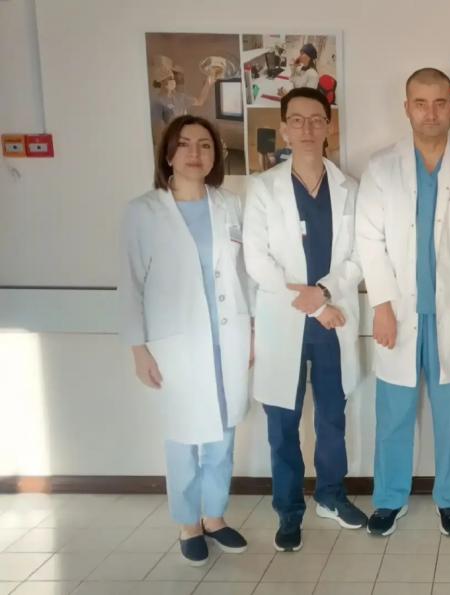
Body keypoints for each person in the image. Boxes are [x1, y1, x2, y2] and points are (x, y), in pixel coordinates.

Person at [356, 67, 450, 537]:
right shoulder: (381, 168)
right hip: (399, 316)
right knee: (394, 414)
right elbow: (368, 241)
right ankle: (389, 499)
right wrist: (381, 305)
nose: (430, 112)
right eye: (420, 103)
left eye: (440, 102)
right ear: (407, 108)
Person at [119, 115, 253, 565]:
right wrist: (138, 348)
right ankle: (187, 523)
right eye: (185, 144)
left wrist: (253, 331)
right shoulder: (143, 211)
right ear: (168, 155)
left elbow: (245, 274)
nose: (196, 153)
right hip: (174, 344)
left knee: (223, 434)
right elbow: (130, 283)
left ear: (216, 156)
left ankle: (215, 517)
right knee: (182, 437)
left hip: (227, 338)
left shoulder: (230, 205)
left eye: (205, 145)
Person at [243, 87, 366, 552]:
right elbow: (258, 262)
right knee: (283, 424)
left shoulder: (350, 189)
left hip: (333, 322)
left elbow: (359, 256)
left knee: (332, 418)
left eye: (317, 119)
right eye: (297, 120)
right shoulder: (262, 189)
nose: (308, 128)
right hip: (287, 321)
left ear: (328, 126)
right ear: (284, 129)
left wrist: (326, 292)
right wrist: (316, 304)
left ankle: (331, 496)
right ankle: (289, 510)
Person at [148, 57, 216, 125]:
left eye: (173, 79)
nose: (173, 81)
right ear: (162, 81)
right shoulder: (156, 101)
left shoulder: (180, 97)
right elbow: (157, 125)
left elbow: (200, 101)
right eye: (170, 79)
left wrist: (208, 83)